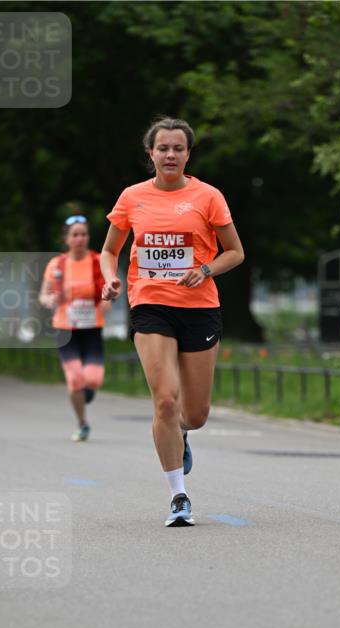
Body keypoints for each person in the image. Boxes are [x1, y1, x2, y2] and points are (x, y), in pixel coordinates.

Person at [100, 116, 244, 526]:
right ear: (151, 154)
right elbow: (110, 251)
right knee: (165, 400)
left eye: (178, 148)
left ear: (187, 154)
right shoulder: (132, 197)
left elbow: (235, 251)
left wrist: (208, 269)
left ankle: (181, 433)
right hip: (150, 305)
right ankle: (178, 496)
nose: (170, 155)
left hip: (199, 307)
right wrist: (111, 278)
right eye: (163, 148)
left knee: (194, 414)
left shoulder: (208, 196)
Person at [39, 215, 107, 441]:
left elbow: (108, 289)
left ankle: (83, 393)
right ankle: (82, 422)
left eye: (84, 234)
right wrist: (48, 300)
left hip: (91, 326)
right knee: (76, 378)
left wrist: (106, 301)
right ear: (67, 239)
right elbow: (44, 294)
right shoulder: (57, 264)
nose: (80, 239)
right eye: (75, 235)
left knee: (94, 379)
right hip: (65, 328)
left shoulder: (98, 261)